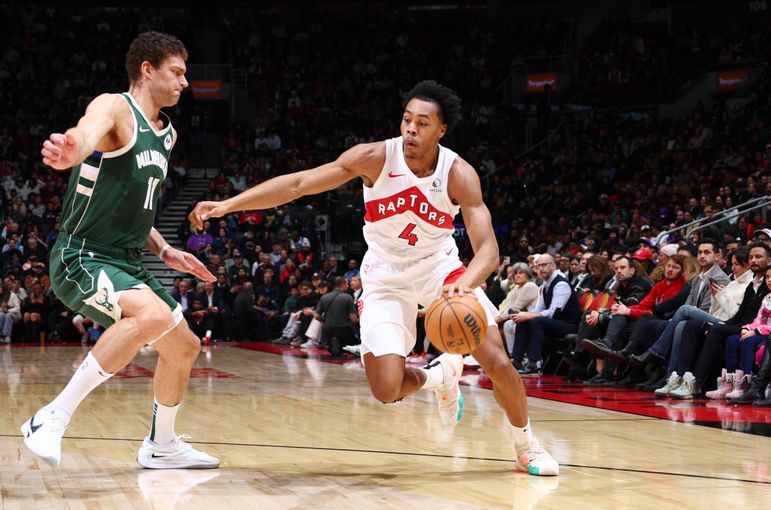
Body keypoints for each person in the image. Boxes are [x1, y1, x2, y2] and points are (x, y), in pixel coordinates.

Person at [190, 80, 558, 476]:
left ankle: (525, 446)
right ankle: (440, 375)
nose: (411, 129)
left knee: (498, 360)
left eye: (422, 123)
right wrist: (229, 204)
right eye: (406, 120)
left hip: (441, 269)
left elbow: (488, 250)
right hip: (385, 276)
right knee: (387, 389)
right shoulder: (374, 158)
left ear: (441, 130)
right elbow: (298, 185)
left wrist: (466, 282)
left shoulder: (459, 174)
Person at [20, 32, 219, 469]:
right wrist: (72, 147)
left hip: (128, 260)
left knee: (183, 346)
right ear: (148, 70)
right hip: (82, 256)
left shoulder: (167, 134)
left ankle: (161, 446)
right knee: (149, 316)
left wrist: (166, 250)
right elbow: (87, 131)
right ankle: (51, 416)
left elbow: (136, 206)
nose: (185, 83)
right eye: (178, 72)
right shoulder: (116, 108)